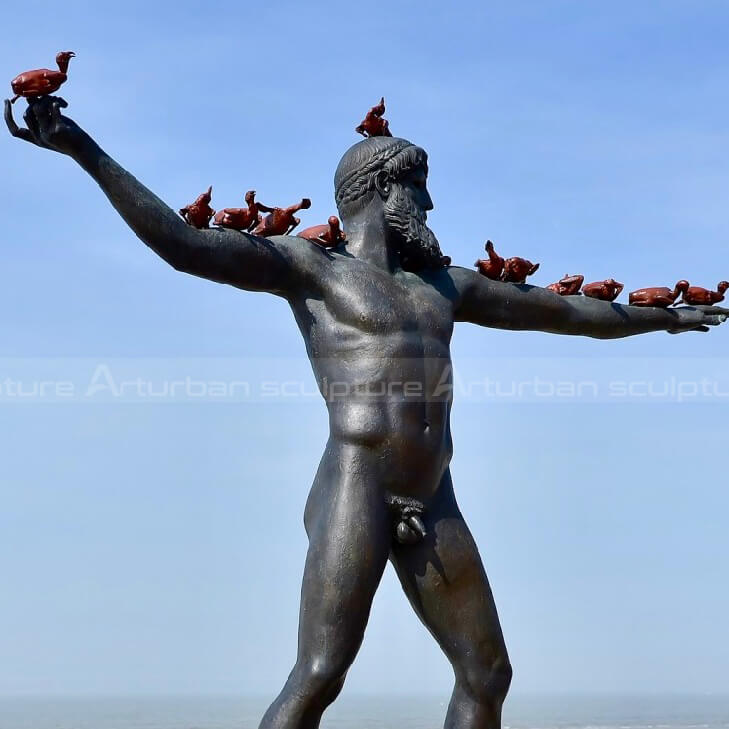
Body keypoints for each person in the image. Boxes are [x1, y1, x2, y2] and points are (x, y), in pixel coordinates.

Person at [6, 96, 727, 729]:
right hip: (356, 481)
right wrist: (83, 150)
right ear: (383, 188)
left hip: (433, 493)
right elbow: (182, 243)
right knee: (320, 670)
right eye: (420, 187)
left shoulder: (445, 285)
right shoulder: (308, 268)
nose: (432, 205)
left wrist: (661, 318)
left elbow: (563, 312)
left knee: (487, 673)